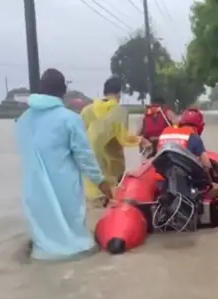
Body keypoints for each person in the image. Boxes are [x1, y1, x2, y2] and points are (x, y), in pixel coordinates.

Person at [15, 68, 112, 260]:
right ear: (63, 91)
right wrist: (102, 183)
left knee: (44, 239)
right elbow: (84, 158)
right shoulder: (69, 119)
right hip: (64, 191)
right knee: (77, 245)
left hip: (34, 193)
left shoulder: (22, 120)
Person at [79, 76, 151, 205]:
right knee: (110, 209)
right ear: (119, 93)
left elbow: (79, 135)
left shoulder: (87, 110)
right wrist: (141, 140)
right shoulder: (119, 111)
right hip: (109, 172)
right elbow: (124, 137)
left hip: (87, 169)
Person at [155, 108, 218, 198]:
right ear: (200, 126)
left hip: (161, 183)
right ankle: (205, 207)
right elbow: (207, 165)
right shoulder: (194, 137)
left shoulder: (165, 132)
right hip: (186, 184)